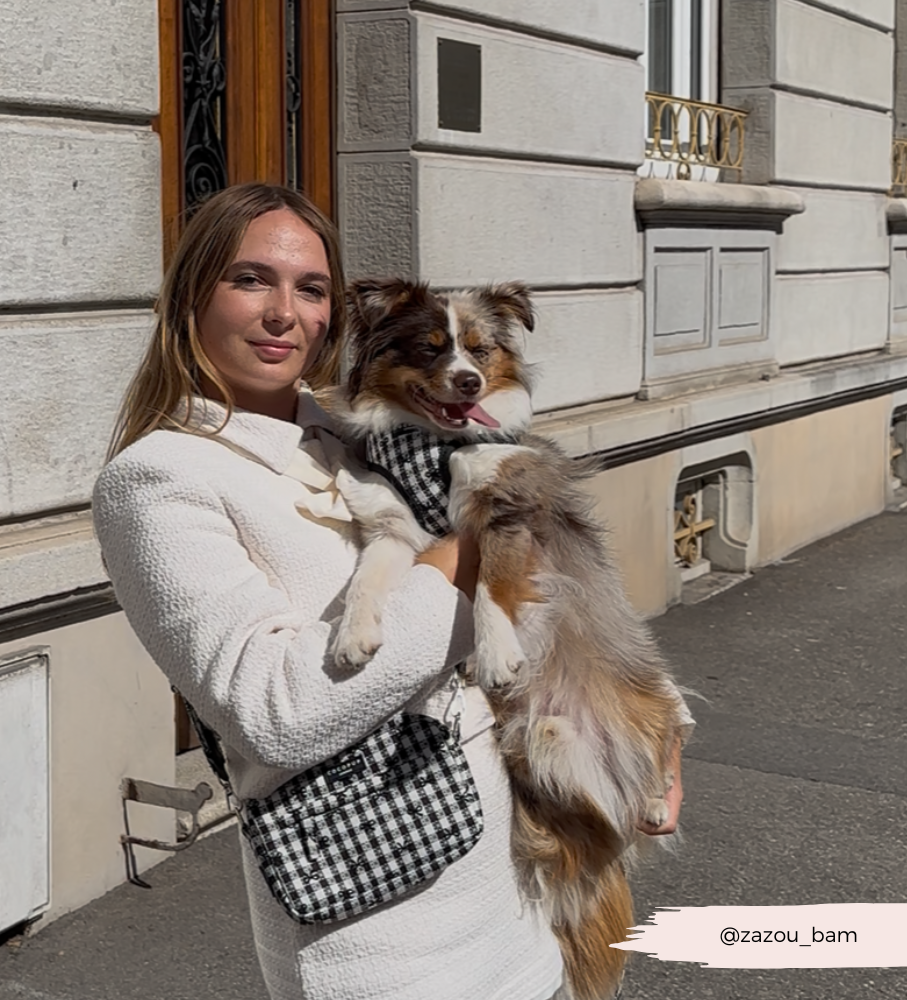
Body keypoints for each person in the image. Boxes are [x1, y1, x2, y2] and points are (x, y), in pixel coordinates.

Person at [92, 182, 683, 1000]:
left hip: (513, 898)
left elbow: (562, 582)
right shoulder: (159, 480)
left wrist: (652, 722)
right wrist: (458, 555)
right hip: (381, 936)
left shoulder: (368, 427)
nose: (283, 313)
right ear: (192, 294)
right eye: (250, 279)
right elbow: (274, 711)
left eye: (310, 289)